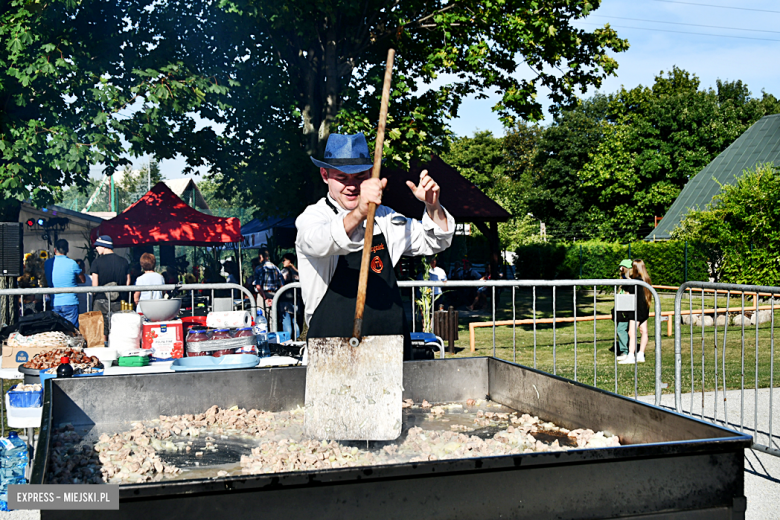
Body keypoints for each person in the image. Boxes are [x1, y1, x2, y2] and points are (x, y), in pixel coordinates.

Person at [296, 132, 454, 359]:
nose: (351, 186)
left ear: (370, 175)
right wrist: (360, 211)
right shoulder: (313, 218)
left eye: (359, 177)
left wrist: (433, 206)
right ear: (325, 175)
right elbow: (319, 242)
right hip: (332, 350)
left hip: (390, 348)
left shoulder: (386, 219)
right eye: (342, 178)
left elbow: (435, 240)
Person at [90, 235, 130, 340]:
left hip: (101, 299)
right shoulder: (124, 261)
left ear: (104, 246)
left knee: (102, 328)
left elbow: (95, 284)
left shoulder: (96, 262)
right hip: (119, 299)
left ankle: (104, 350)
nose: (96, 248)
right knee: (119, 326)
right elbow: (128, 281)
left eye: (97, 246)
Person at [43, 239, 86, 328]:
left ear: (55, 250)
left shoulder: (48, 263)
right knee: (72, 330)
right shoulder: (72, 263)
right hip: (70, 302)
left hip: (55, 302)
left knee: (59, 331)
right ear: (68, 250)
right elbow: (83, 280)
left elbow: (46, 279)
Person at [620, 259, 653, 365]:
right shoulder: (646, 279)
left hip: (636, 309)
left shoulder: (635, 281)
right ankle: (641, 354)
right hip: (644, 309)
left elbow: (627, 291)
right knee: (644, 331)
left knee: (631, 332)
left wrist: (627, 277)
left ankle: (630, 355)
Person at [612, 259, 632, 360]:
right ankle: (627, 350)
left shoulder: (630, 280)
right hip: (621, 308)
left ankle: (626, 351)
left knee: (621, 329)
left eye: (622, 267)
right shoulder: (623, 279)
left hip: (626, 309)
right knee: (623, 329)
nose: (620, 269)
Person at [254, 248, 283, 312]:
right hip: (274, 294)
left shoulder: (258, 268)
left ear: (260, 256)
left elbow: (258, 286)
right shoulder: (276, 268)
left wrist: (265, 298)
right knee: (273, 317)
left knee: (262, 317)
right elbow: (282, 285)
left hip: (262, 294)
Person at [279, 253, 301, 338]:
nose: (282, 262)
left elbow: (280, 282)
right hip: (296, 299)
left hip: (286, 300)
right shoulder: (297, 272)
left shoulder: (285, 271)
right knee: (294, 321)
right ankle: (298, 339)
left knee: (286, 322)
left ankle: (287, 341)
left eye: (284, 260)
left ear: (289, 261)